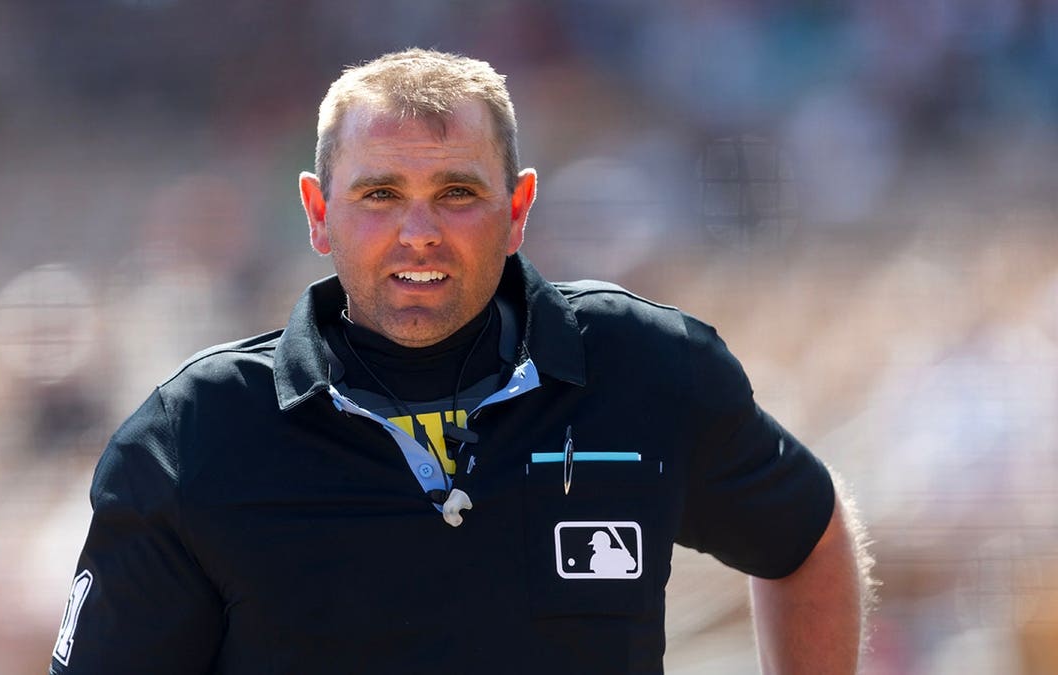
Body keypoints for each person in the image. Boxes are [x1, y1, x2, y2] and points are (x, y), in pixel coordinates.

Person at [50, 48, 871, 674]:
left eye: (456, 192)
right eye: (379, 195)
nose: (419, 232)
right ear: (317, 212)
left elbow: (806, 534)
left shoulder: (649, 367)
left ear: (517, 210)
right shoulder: (192, 436)